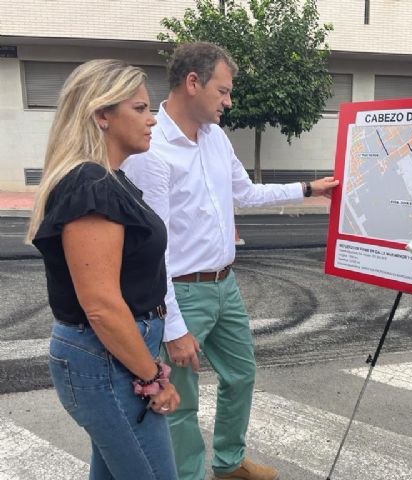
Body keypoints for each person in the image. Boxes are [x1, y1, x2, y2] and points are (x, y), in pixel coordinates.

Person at [122, 42, 339, 480]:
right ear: (192, 83)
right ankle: (186, 474)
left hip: (225, 284)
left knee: (240, 375)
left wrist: (308, 189)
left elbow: (246, 192)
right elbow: (153, 250)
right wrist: (176, 326)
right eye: (223, 91)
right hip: (180, 289)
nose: (229, 101)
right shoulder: (153, 152)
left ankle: (227, 463)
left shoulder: (216, 138)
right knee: (180, 398)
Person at [27, 59, 181, 480]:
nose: (152, 120)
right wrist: (154, 378)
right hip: (105, 360)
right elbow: (101, 306)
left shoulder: (108, 180)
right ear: (101, 115)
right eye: (140, 108)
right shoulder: (91, 187)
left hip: (114, 356)